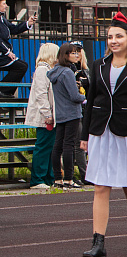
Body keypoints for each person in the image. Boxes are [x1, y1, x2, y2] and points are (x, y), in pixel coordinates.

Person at [80, 13, 127, 257]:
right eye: (110, 37)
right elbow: (91, 101)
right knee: (100, 186)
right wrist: (85, 134)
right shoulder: (98, 65)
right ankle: (98, 242)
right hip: (101, 132)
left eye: (118, 36)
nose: (113, 41)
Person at [48, 43, 86, 189]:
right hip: (72, 113)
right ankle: (69, 178)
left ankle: (58, 178)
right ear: (66, 55)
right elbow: (74, 96)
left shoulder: (55, 72)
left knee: (58, 145)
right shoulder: (68, 72)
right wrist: (84, 97)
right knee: (69, 145)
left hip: (60, 113)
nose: (77, 56)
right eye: (74, 53)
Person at [24, 43, 57, 190]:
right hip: (45, 116)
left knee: (49, 146)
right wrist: (47, 114)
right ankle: (38, 178)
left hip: (48, 114)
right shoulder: (43, 70)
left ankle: (47, 177)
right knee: (44, 146)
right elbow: (41, 94)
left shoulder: (46, 69)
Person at [0, 0, 34, 96]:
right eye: (4, 4)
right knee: (20, 66)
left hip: (3, 54)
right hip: (2, 54)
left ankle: (5, 91)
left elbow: (14, 29)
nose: (6, 6)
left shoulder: (2, 19)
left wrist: (28, 23)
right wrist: (8, 52)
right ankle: (3, 90)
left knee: (22, 66)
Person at [67, 42, 90, 184]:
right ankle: (82, 174)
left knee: (86, 143)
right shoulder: (69, 69)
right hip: (75, 110)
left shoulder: (85, 70)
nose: (77, 54)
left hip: (86, 110)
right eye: (74, 51)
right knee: (77, 144)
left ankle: (87, 172)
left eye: (79, 51)